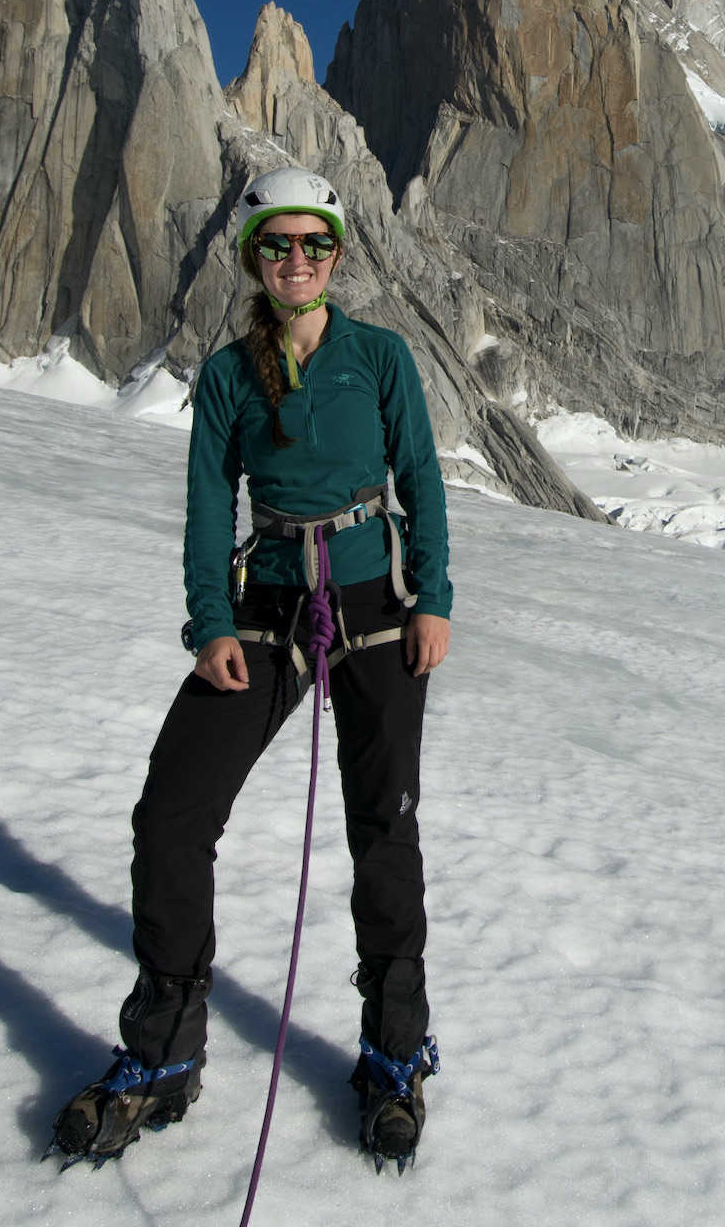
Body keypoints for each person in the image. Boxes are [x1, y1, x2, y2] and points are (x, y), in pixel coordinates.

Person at [50, 167, 452, 1171]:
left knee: (383, 824)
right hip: (266, 610)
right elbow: (203, 504)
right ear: (252, 259)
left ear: (338, 255)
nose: (297, 262)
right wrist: (209, 623)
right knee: (172, 812)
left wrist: (434, 596)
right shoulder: (231, 374)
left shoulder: (380, 358)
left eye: (315, 245)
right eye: (277, 246)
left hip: (373, 608)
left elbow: (421, 478)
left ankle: (393, 1056)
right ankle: (161, 1053)